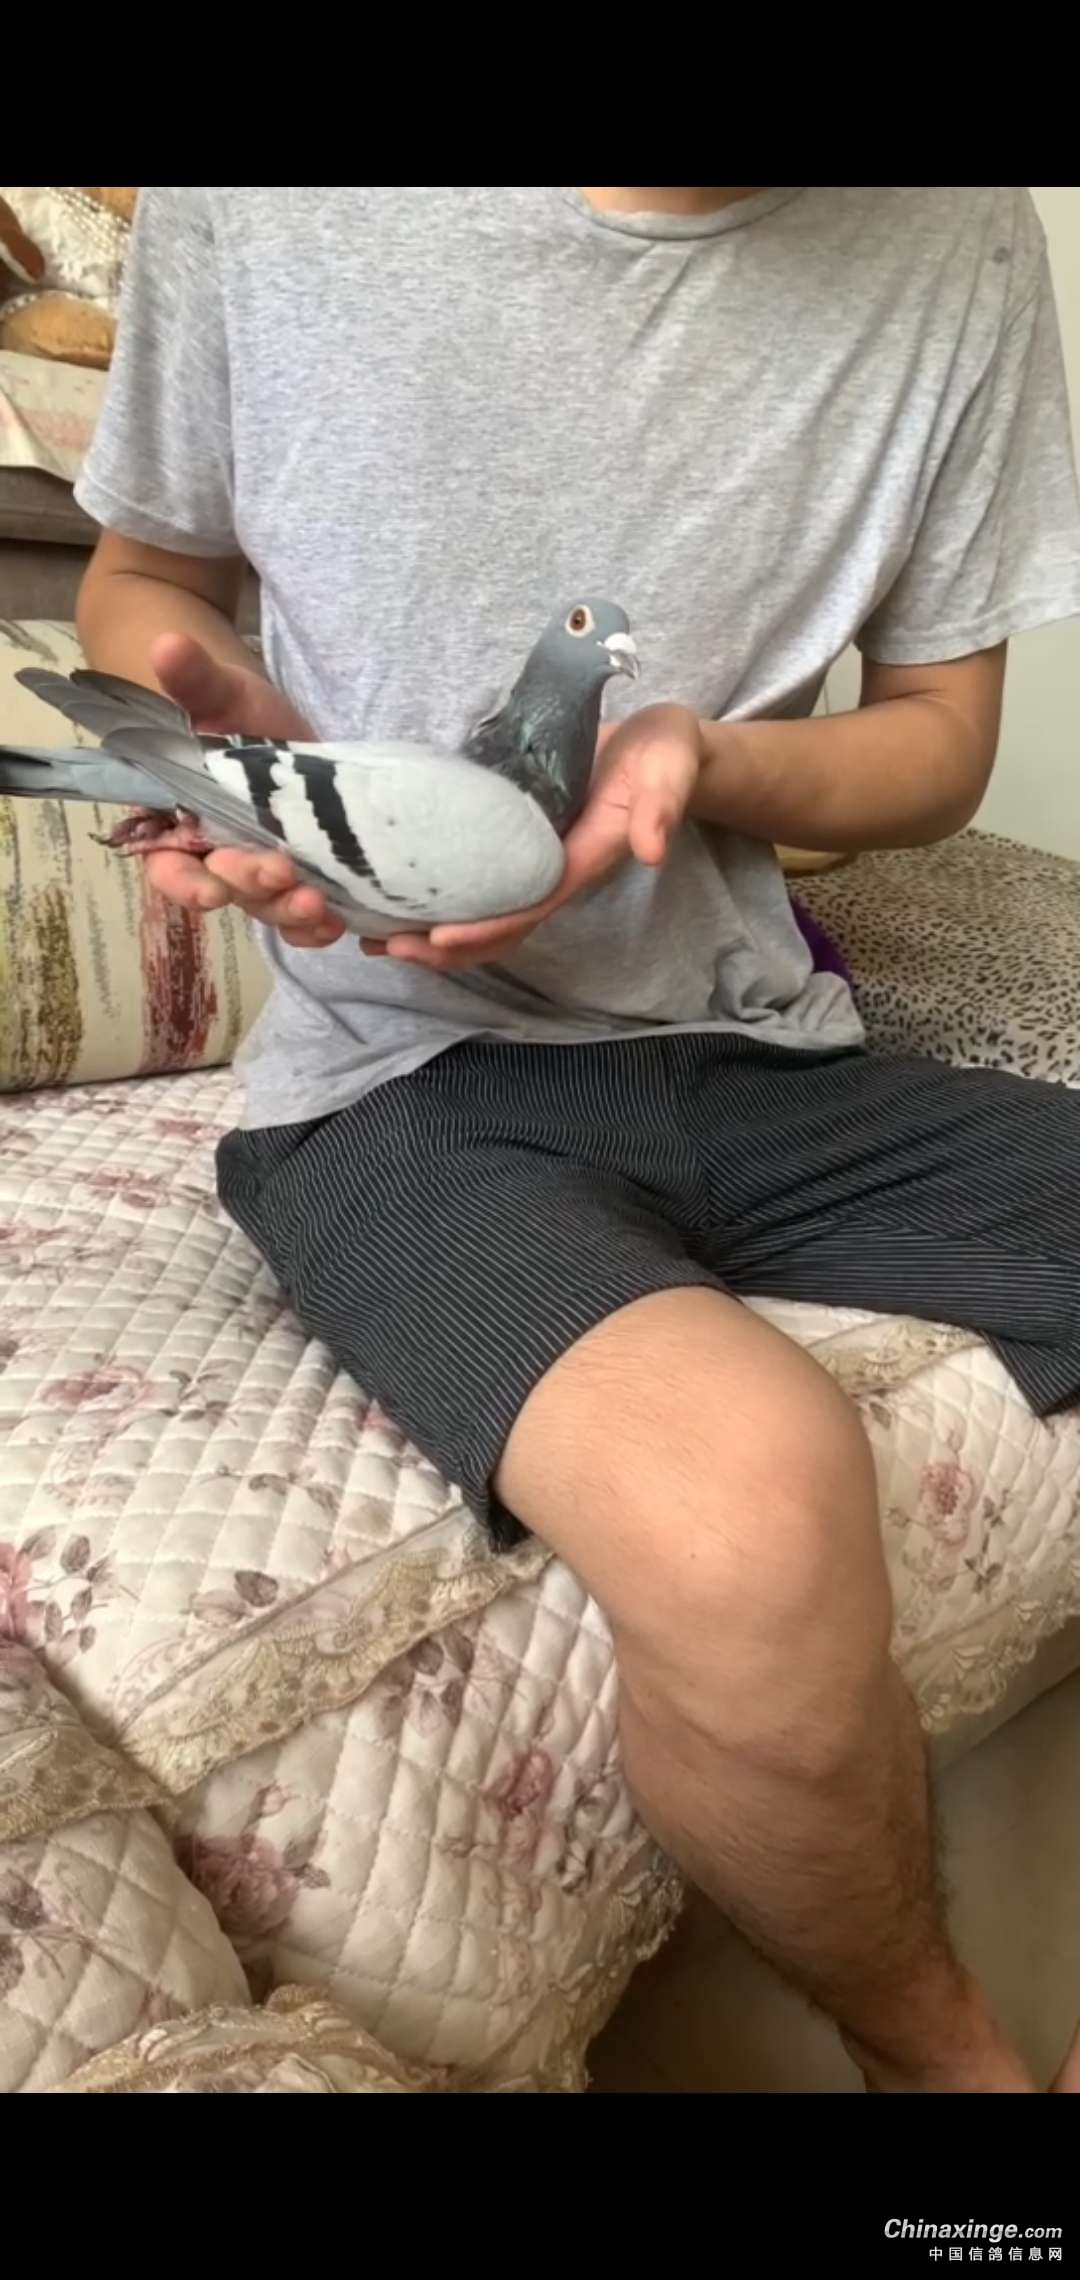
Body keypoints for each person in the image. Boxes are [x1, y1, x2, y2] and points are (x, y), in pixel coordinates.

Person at [73, 186, 1080, 2093]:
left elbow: (940, 732)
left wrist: (705, 761)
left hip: (772, 1053)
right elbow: (145, 577)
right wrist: (223, 731)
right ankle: (949, 2072)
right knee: (752, 1515)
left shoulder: (958, 234)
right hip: (397, 1086)